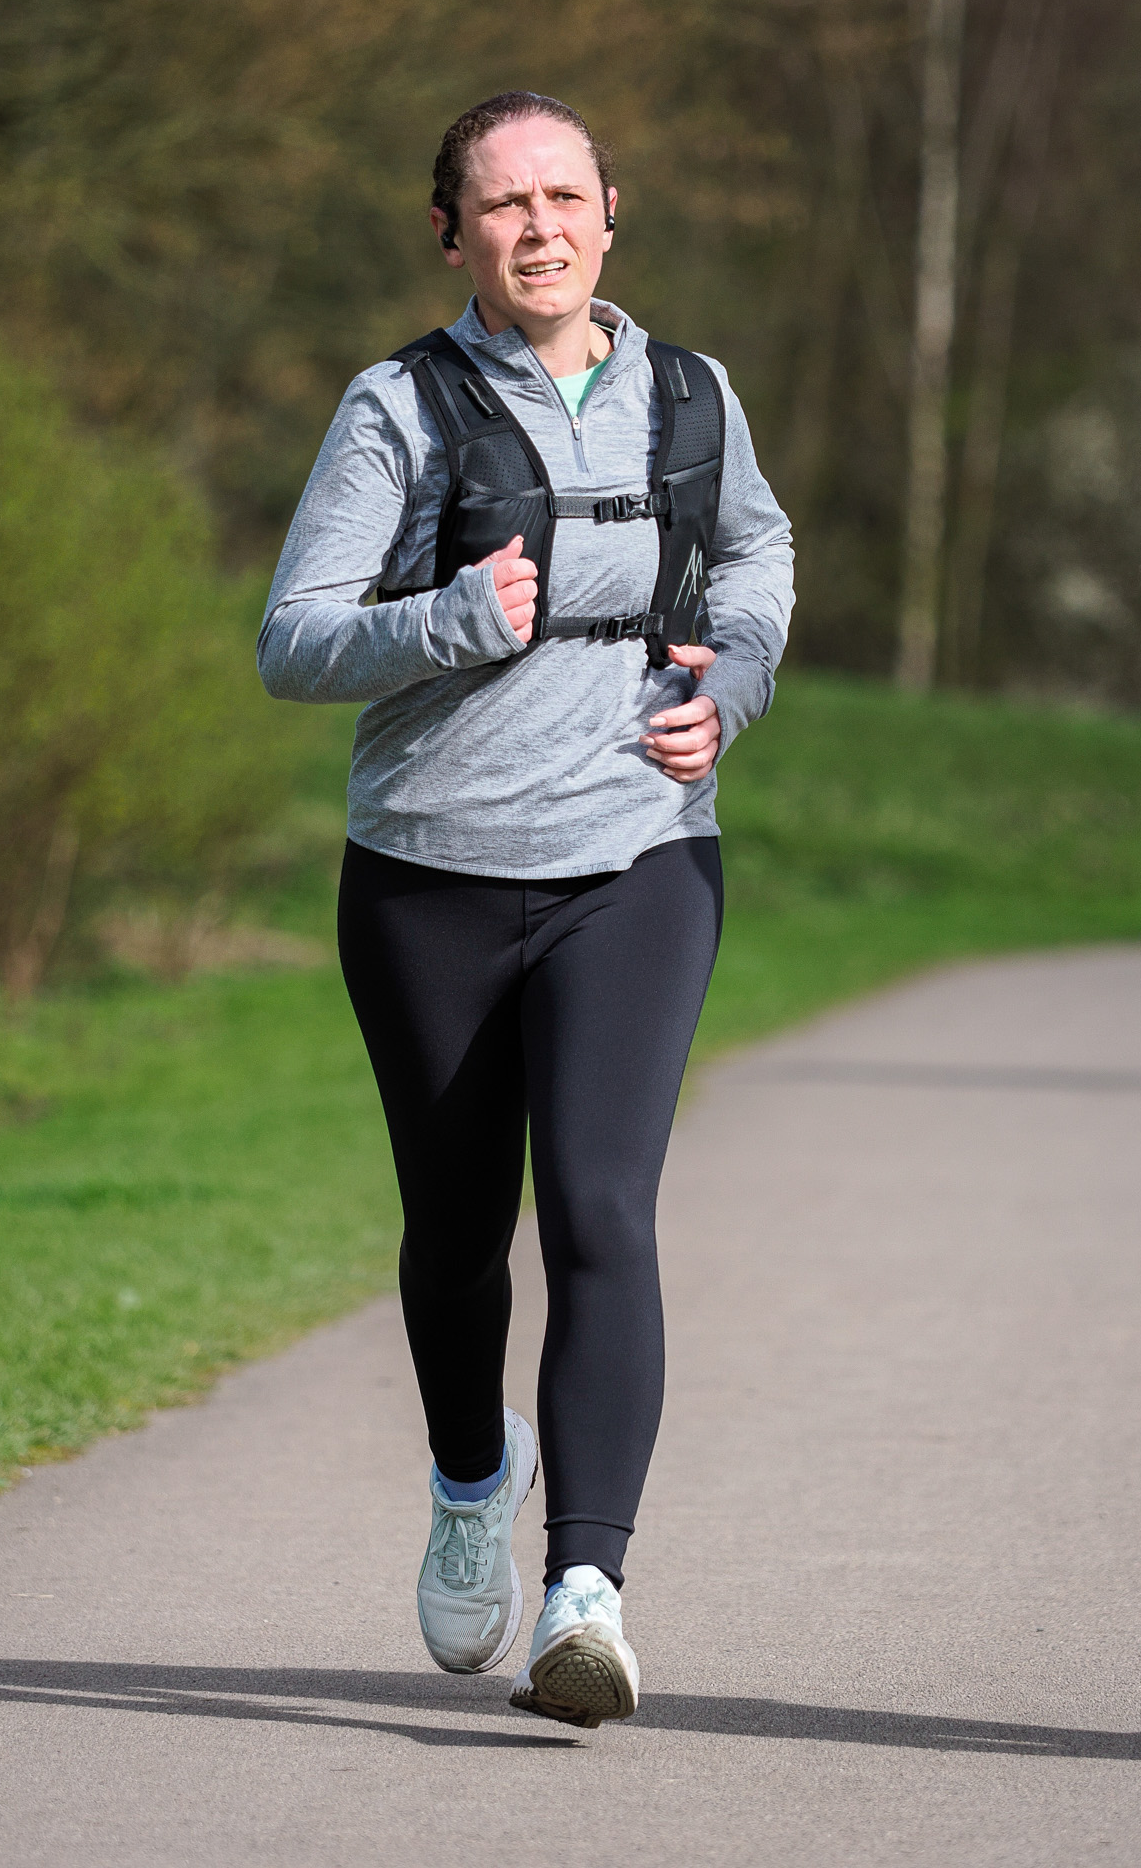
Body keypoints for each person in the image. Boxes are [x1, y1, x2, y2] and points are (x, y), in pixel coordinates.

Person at [257, 91, 794, 1727]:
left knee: (601, 1209)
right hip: (430, 874)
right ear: (453, 235)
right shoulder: (397, 408)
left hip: (639, 859)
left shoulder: (692, 393)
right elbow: (293, 638)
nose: (540, 226)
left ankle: (587, 1594)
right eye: (504, 204)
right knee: (454, 1233)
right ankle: (469, 1474)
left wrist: (731, 685)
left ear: (612, 214)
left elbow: (756, 560)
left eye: (565, 196)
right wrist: (443, 618)